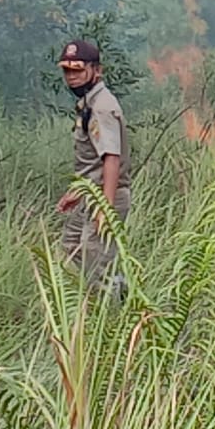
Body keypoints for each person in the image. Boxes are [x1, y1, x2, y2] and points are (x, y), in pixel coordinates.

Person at [54, 39, 132, 294]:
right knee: (71, 245)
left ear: (96, 70)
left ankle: (117, 312)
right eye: (67, 71)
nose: (72, 77)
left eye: (78, 70)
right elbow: (93, 160)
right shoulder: (89, 103)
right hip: (90, 194)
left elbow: (111, 157)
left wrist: (105, 210)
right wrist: (77, 192)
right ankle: (119, 290)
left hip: (105, 195)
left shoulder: (102, 107)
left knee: (96, 263)